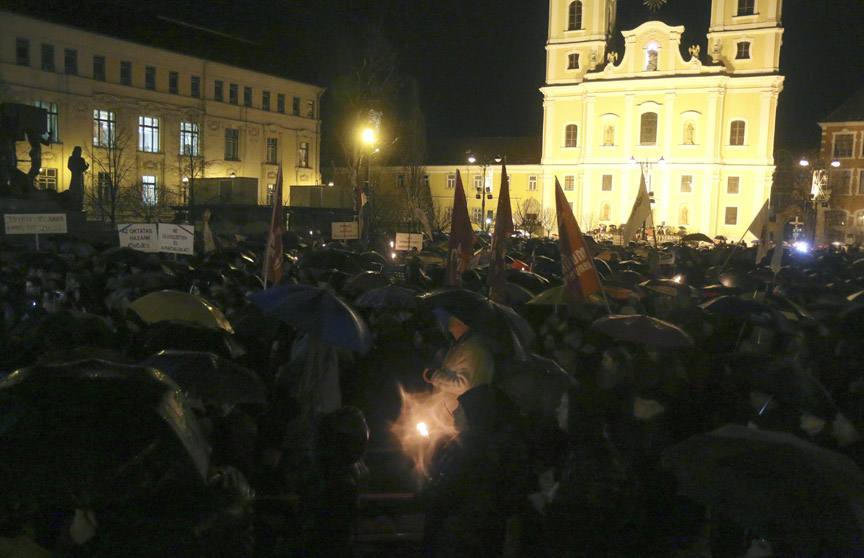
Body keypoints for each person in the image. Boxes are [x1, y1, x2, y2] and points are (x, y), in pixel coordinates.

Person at [66, 146, 88, 210]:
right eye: (79, 151)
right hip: (75, 176)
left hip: (80, 176)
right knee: (74, 189)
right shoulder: (71, 158)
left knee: (80, 190)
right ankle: (73, 203)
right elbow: (70, 166)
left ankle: (79, 203)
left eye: (80, 152)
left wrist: (86, 167)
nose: (80, 153)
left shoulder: (82, 159)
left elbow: (83, 168)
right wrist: (79, 168)